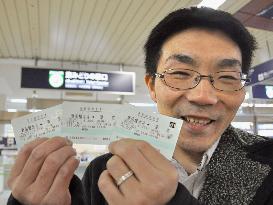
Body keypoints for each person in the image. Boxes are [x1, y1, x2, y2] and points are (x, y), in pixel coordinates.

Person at [7, 6, 273, 205]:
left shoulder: (268, 161)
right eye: (180, 73)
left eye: (227, 77)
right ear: (151, 87)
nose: (204, 96)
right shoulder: (104, 172)